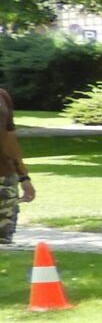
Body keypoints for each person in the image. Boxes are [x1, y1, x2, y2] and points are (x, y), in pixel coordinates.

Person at [0, 85, 33, 245]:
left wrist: (23, 176)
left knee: (3, 241)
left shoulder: (2, 96)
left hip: (4, 178)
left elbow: (10, 138)